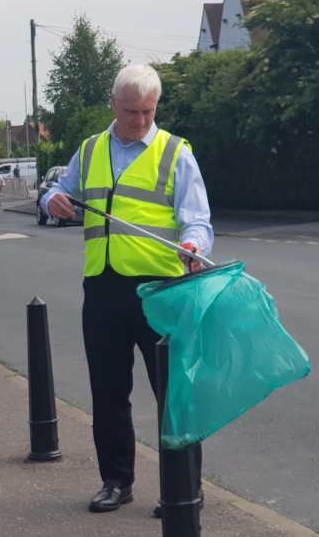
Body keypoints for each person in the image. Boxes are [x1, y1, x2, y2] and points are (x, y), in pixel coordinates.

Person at [41, 64, 213, 516]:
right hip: (102, 289)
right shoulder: (91, 148)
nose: (141, 120)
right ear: (114, 105)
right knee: (109, 391)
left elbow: (196, 218)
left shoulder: (175, 152)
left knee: (172, 394)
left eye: (149, 111)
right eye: (132, 111)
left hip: (161, 291)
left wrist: (194, 244)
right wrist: (50, 201)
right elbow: (59, 189)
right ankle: (116, 481)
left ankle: (183, 488)